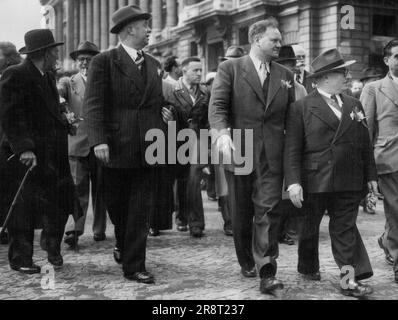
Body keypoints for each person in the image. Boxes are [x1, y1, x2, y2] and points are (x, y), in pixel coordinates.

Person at [83, 5, 172, 284]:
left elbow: (154, 101)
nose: (149, 30)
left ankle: (134, 265)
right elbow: (93, 105)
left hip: (148, 148)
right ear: (129, 29)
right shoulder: (104, 61)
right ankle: (123, 243)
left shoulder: (154, 65)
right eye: (145, 25)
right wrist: (98, 140)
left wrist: (165, 111)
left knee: (140, 210)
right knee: (118, 208)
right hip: (115, 148)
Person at [209, 18, 295, 294]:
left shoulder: (285, 75)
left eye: (280, 40)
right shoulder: (230, 68)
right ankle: (246, 259)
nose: (279, 45)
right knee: (242, 211)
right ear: (257, 39)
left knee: (268, 210)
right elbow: (218, 106)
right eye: (275, 40)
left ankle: (267, 270)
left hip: (273, 155)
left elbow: (291, 118)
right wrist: (222, 134)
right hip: (240, 150)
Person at [284, 48, 378, 298]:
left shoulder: (354, 103)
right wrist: (293, 183)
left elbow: (365, 144)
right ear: (324, 78)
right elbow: (292, 150)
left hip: (349, 179)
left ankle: (349, 281)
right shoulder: (301, 107)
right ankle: (308, 265)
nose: (347, 76)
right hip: (315, 180)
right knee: (309, 228)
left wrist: (371, 176)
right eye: (341, 72)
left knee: (344, 230)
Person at [0, 29, 78, 274]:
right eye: (54, 51)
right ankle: (20, 258)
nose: (57, 55)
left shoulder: (46, 76)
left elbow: (50, 112)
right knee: (22, 209)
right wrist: (23, 148)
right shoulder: (16, 74)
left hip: (51, 155)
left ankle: (51, 246)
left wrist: (66, 123)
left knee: (58, 202)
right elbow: (10, 115)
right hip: (26, 157)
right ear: (44, 53)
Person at [57, 41, 108, 248]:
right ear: (76, 62)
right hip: (77, 144)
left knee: (101, 188)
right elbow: (58, 93)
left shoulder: (105, 82)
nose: (85, 62)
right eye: (81, 59)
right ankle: (74, 230)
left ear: (95, 61)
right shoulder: (68, 82)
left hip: (100, 143)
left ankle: (99, 229)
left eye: (89, 59)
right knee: (77, 188)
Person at [360, 39, 398, 277]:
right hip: (388, 158)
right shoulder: (373, 88)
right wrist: (366, 167)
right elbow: (365, 130)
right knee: (395, 209)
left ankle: (387, 240)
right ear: (387, 60)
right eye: (397, 56)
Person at [164, 57, 210, 238]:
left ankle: (196, 223)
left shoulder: (206, 92)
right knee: (181, 181)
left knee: (193, 180)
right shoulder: (171, 91)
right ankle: (181, 217)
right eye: (195, 70)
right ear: (184, 71)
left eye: (201, 70)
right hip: (176, 141)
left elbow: (208, 121)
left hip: (198, 140)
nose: (199, 73)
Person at [274, 45, 308, 246]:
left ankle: (286, 229)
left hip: (294, 144)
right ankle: (274, 228)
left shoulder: (301, 89)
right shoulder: (273, 86)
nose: (290, 70)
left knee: (290, 187)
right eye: (285, 65)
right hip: (275, 142)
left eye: (292, 65)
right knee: (274, 189)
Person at [0, 42, 22, 245]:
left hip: (7, 142)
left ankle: (7, 230)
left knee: (7, 188)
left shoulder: (12, 76)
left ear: (7, 58)